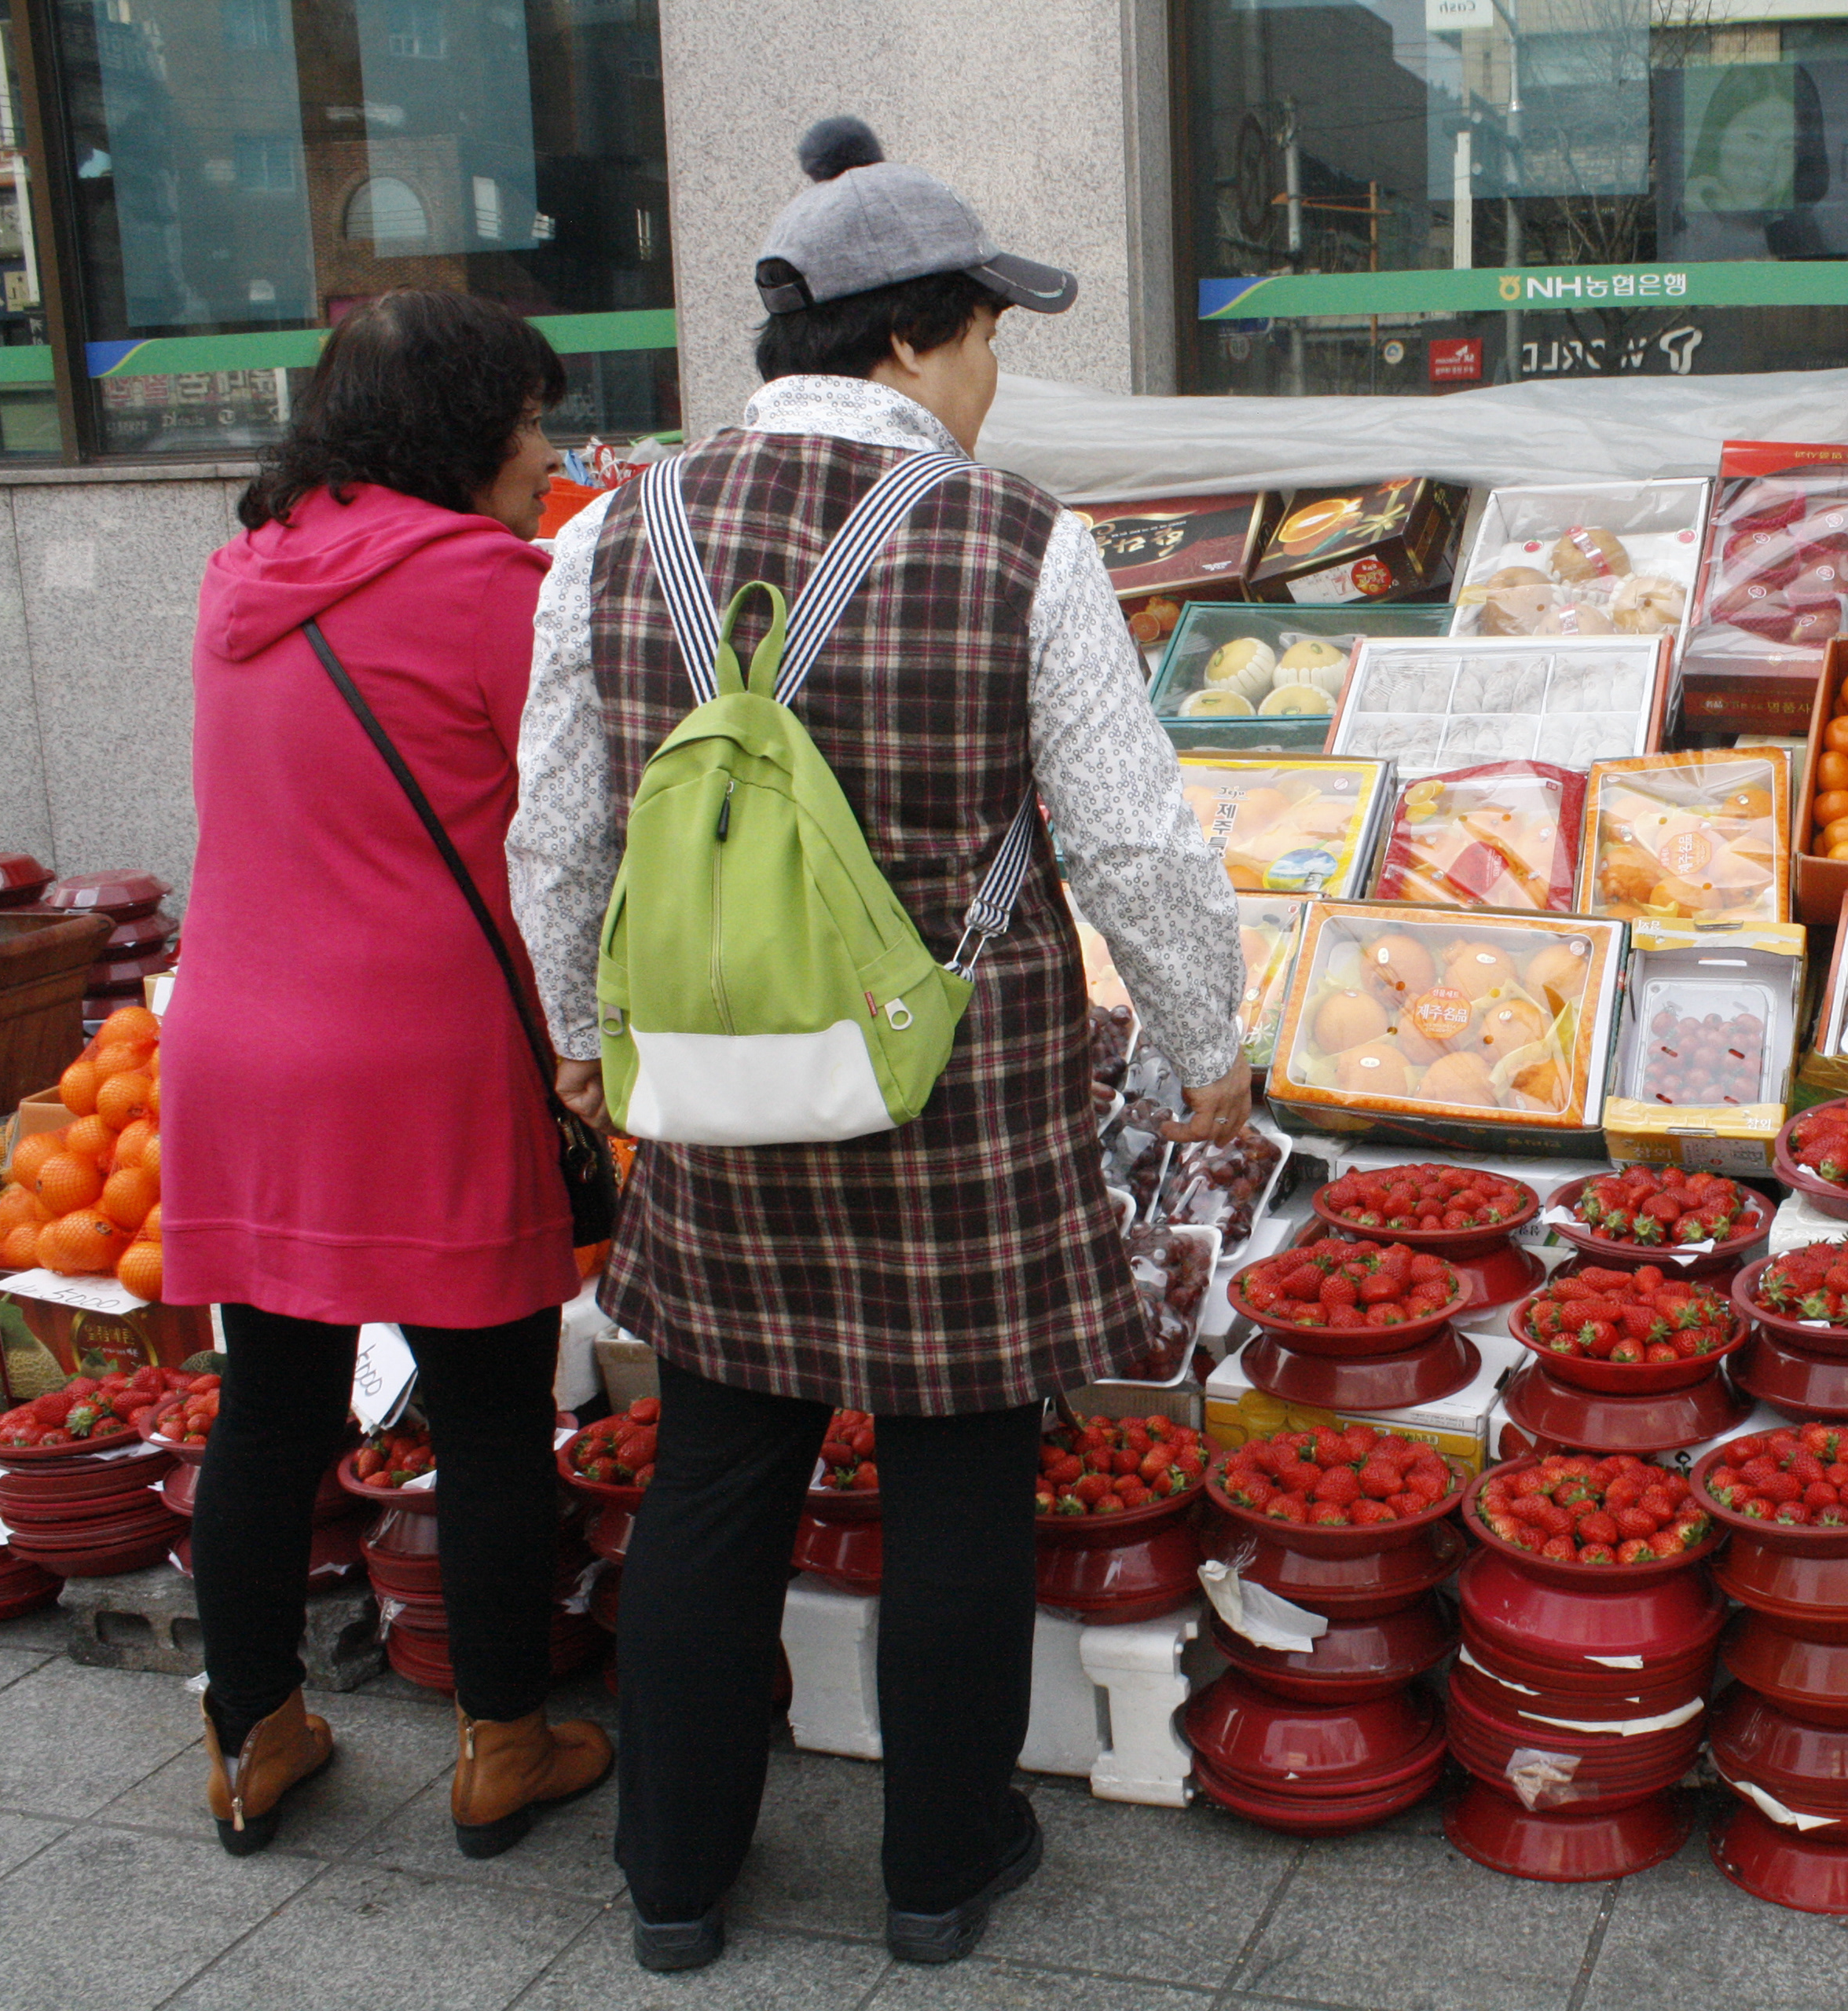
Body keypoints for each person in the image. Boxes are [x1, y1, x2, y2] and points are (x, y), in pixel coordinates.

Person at [505, 117, 1248, 1974]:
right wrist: (1207, 1039)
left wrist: (575, 1038)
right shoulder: (1019, 542)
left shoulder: (609, 535)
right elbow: (1135, 835)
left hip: (719, 1087)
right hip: (960, 1092)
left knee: (720, 1464)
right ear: (915, 337)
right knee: (956, 1480)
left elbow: (556, 833)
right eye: (994, 331)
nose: (1004, 370)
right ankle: (937, 1867)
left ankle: (673, 1878)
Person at [161, 290, 614, 1856]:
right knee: (491, 1412)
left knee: (267, 1411)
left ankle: (253, 1735)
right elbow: (571, 828)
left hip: (234, 1046)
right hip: (421, 1053)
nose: (544, 456)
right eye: (532, 427)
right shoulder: (491, 587)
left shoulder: (241, 577)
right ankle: (502, 1740)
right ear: (463, 436)